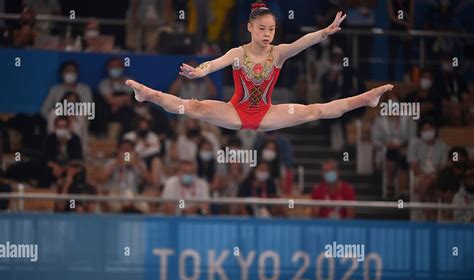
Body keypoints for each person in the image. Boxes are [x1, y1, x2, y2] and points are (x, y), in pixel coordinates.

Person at [126, 3, 392, 132]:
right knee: (193, 106)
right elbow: (214, 64)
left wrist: (325, 31)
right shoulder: (238, 53)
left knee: (315, 110)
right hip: (235, 111)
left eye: (272, 29)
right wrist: (198, 71)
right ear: (250, 28)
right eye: (262, 28)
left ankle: (366, 98)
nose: (267, 34)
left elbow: (303, 42)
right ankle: (149, 94)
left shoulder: (279, 53)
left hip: (267, 113)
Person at [407, 119, 448, 202]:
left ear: (435, 130)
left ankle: (425, 210)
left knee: (431, 183)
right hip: (419, 176)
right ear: (420, 131)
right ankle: (426, 210)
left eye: (429, 129)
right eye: (424, 129)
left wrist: (434, 175)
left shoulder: (443, 146)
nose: (427, 131)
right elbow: (413, 165)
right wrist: (425, 176)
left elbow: (443, 166)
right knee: (426, 182)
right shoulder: (414, 144)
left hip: (437, 176)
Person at [38, 116, 83, 188]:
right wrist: (55, 167)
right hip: (54, 167)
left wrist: (65, 169)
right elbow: (45, 157)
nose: (62, 129)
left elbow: (77, 158)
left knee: (77, 172)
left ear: (68, 128)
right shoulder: (50, 138)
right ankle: (43, 192)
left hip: (69, 167)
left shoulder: (75, 139)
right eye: (59, 127)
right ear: (55, 128)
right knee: (44, 170)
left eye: (64, 127)